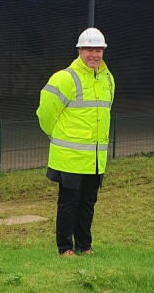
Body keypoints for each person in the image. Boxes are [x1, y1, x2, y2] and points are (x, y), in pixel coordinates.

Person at [36, 27, 115, 256]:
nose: (94, 54)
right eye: (89, 49)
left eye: (98, 49)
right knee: (69, 203)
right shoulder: (64, 78)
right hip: (70, 157)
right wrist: (57, 136)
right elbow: (45, 114)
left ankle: (85, 245)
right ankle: (65, 248)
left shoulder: (108, 79)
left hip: (95, 158)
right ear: (79, 50)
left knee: (88, 203)